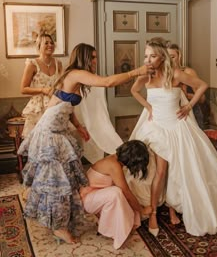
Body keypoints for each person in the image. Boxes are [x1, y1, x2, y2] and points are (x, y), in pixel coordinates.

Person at [18, 43, 154, 244]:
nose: (95, 61)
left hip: (59, 130)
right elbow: (108, 82)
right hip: (49, 133)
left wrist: (79, 126)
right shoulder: (74, 74)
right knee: (57, 182)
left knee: (65, 181)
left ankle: (60, 220)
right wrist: (138, 71)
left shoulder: (71, 77)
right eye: (92, 57)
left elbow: (62, 104)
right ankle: (59, 227)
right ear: (83, 58)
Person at [129, 37, 217, 237]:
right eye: (145, 56)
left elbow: (202, 85)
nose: (148, 60)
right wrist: (149, 107)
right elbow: (133, 90)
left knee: (183, 170)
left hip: (177, 128)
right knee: (160, 171)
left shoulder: (176, 74)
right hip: (156, 129)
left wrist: (188, 105)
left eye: (152, 56)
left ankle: (175, 206)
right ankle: (152, 213)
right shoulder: (146, 76)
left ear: (161, 57)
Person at [80, 140, 152, 249]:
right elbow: (126, 193)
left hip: (93, 197)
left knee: (120, 192)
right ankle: (116, 232)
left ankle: (122, 225)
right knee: (117, 192)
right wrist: (142, 210)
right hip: (85, 201)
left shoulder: (114, 159)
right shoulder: (113, 165)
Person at [20, 33, 63, 138]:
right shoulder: (32, 64)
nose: (50, 45)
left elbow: (63, 85)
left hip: (55, 105)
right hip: (38, 107)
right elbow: (23, 89)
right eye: (46, 43)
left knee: (56, 139)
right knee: (39, 140)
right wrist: (43, 90)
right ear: (39, 46)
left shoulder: (58, 64)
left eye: (52, 43)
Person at [166, 42, 208, 129]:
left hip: (191, 112)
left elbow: (202, 99)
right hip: (171, 115)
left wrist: (187, 96)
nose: (169, 60)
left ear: (179, 57)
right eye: (167, 57)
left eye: (173, 57)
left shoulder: (188, 72)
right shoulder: (163, 75)